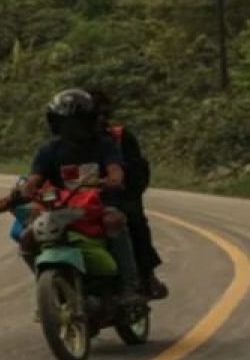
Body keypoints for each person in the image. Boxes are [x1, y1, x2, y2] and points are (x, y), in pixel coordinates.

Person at [18, 88, 145, 306]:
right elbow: (35, 177)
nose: (71, 128)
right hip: (62, 207)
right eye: (65, 123)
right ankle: (48, 285)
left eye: (76, 122)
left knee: (114, 221)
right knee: (28, 237)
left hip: (101, 203)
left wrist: (114, 178)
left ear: (88, 122)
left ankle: (129, 285)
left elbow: (115, 169)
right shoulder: (49, 150)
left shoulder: (103, 144)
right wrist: (28, 187)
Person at [88, 89, 169, 301]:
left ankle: (145, 276)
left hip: (118, 196)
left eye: (105, 113)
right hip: (79, 199)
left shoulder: (118, 138)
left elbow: (136, 173)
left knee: (133, 218)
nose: (101, 118)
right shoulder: (69, 142)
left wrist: (120, 186)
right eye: (96, 113)